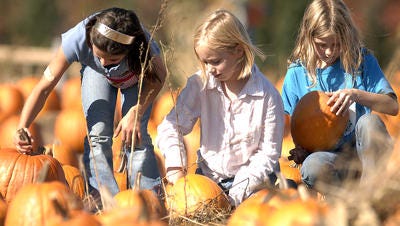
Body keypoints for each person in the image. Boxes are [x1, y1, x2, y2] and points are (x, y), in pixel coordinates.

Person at [13, 8, 166, 201]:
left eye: (112, 59)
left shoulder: (143, 45)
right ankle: (103, 199)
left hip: (136, 78)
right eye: (99, 55)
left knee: (136, 135)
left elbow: (160, 77)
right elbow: (44, 88)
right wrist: (22, 126)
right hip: (96, 75)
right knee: (97, 135)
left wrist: (136, 111)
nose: (104, 62)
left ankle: (150, 199)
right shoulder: (76, 40)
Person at [156, 9, 284, 206]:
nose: (209, 69)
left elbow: (268, 153)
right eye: (204, 62)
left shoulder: (267, 96)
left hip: (253, 182)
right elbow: (171, 125)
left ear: (238, 50)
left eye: (215, 62)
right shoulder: (200, 85)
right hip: (209, 180)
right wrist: (176, 166)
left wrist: (238, 190)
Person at [282, 0, 398, 191]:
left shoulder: (361, 61)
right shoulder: (297, 73)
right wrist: (302, 150)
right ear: (308, 37)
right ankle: (344, 202)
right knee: (312, 165)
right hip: (331, 161)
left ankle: (370, 193)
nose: (329, 52)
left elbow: (392, 107)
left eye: (336, 44)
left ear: (347, 35)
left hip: (364, 156)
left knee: (369, 122)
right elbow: (290, 128)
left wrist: (356, 94)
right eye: (321, 45)